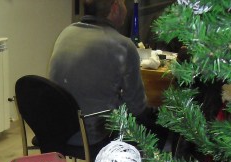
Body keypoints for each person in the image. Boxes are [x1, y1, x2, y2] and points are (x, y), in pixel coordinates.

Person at [48, 0, 165, 148]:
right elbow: (137, 108)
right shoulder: (122, 45)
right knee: (162, 126)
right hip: (93, 134)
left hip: (58, 130)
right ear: (115, 8)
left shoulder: (66, 33)